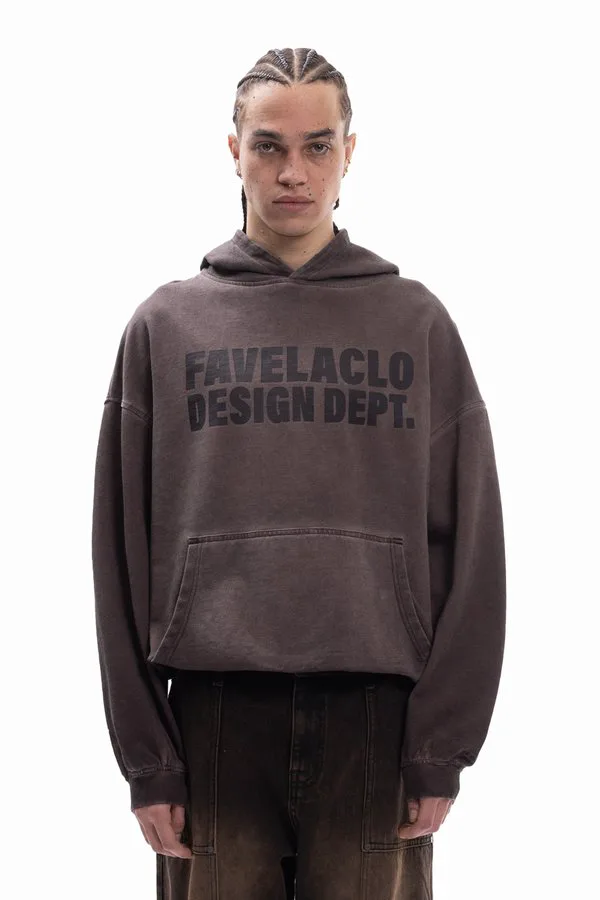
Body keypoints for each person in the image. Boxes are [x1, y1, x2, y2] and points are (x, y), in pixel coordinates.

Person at [91, 47, 506, 900]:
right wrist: (147, 758)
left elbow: (474, 545)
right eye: (269, 146)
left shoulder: (415, 324)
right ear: (233, 151)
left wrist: (441, 745)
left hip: (378, 722)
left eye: (317, 146)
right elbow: (118, 551)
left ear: (349, 152)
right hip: (209, 718)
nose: (293, 172)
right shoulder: (166, 327)